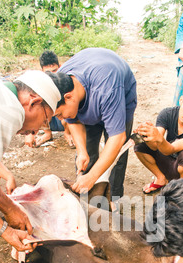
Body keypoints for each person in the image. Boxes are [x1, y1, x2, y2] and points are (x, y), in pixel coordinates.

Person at [0, 68, 62, 252]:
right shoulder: (10, 108)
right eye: (44, 121)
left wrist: (6, 231)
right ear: (34, 101)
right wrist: (10, 209)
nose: (35, 131)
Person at [55, 47, 137, 204]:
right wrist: (81, 152)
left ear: (69, 97)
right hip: (89, 100)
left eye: (60, 114)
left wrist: (92, 177)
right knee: (88, 153)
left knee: (116, 157)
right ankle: (90, 197)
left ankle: (114, 198)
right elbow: (73, 120)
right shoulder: (62, 81)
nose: (61, 119)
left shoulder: (107, 88)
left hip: (119, 100)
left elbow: (117, 138)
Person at [134, 82, 183, 194]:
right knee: (141, 142)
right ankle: (161, 179)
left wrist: (158, 138)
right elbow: (155, 146)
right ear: (181, 100)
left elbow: (170, 149)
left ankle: (178, 189)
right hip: (168, 160)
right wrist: (148, 134)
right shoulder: (167, 113)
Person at [25, 50, 73, 148]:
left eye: (54, 70)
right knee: (39, 106)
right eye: (48, 72)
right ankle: (47, 133)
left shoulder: (65, 81)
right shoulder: (40, 83)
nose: (52, 75)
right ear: (42, 70)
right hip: (51, 119)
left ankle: (68, 133)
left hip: (64, 120)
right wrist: (29, 133)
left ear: (60, 66)